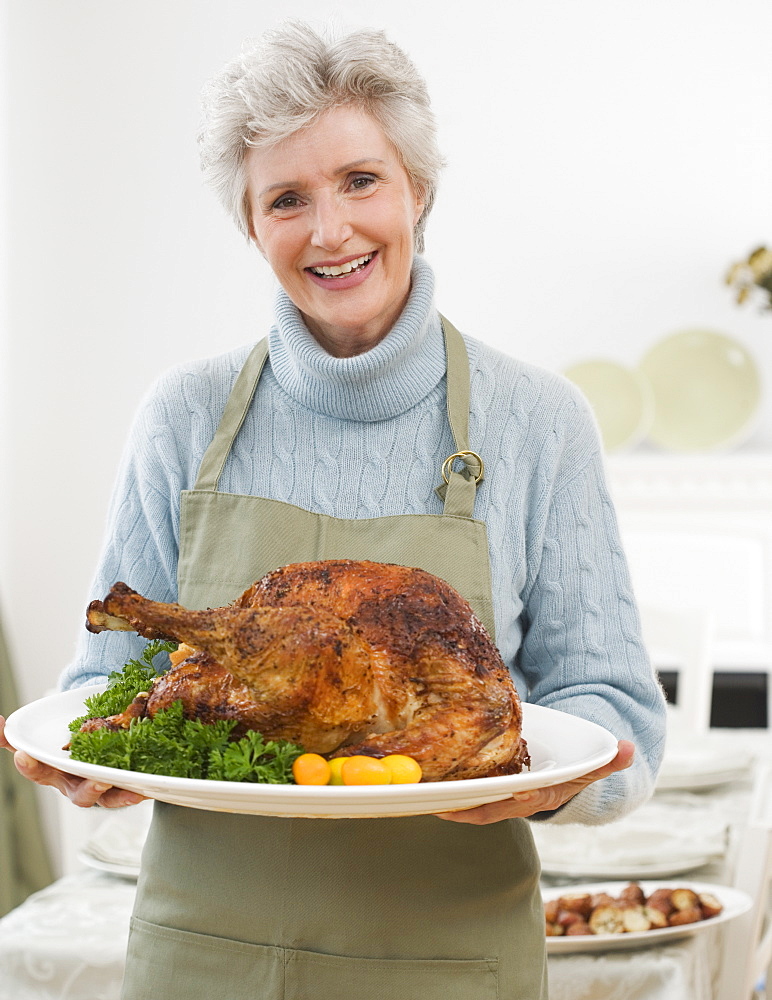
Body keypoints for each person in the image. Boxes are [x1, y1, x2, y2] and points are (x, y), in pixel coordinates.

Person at [1, 21, 666, 999]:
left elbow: (619, 713)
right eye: (286, 198)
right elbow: (109, 675)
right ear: (250, 224)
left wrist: (564, 779)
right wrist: (90, 760)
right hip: (203, 956)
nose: (329, 230)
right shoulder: (184, 415)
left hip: (447, 959)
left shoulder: (537, 421)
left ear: (417, 188)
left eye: (360, 179)